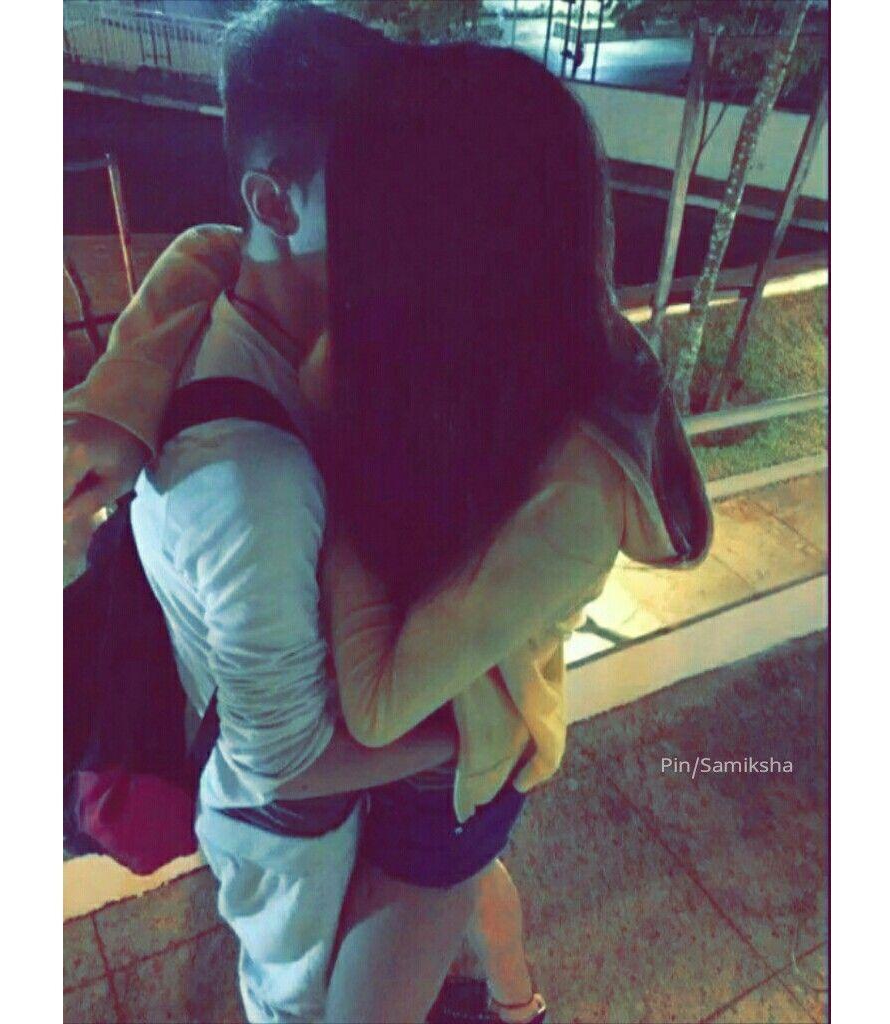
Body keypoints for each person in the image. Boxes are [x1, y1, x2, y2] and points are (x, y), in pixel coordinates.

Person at [63, 13, 713, 1024]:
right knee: (385, 940)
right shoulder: (332, 390)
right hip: (351, 775)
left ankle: (514, 998)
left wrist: (481, 745)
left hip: (427, 761)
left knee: (428, 905)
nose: (392, 217)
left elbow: (369, 705)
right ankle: (515, 999)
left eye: (407, 191)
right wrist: (107, 406)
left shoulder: (456, 361)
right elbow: (216, 248)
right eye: (377, 188)